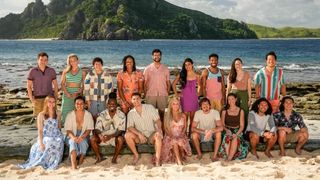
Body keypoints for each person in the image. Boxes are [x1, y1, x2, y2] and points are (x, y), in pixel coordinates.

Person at [18, 96, 64, 170]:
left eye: (53, 102)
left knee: (59, 141)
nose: (52, 104)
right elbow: (40, 130)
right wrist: (41, 142)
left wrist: (61, 135)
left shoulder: (58, 113)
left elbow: (59, 127)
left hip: (56, 133)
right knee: (49, 141)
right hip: (46, 134)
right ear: (46, 103)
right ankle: (46, 162)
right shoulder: (41, 115)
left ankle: (54, 162)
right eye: (50, 102)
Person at [125, 93, 163, 166]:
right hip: (140, 137)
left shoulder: (150, 108)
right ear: (131, 101)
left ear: (141, 99)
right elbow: (129, 127)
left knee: (158, 135)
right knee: (127, 135)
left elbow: (157, 120)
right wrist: (139, 134)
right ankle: (136, 155)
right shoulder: (131, 113)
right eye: (134, 99)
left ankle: (157, 160)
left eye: (138, 99)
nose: (136, 101)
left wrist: (159, 129)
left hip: (151, 135)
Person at [90, 92, 126, 164]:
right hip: (103, 137)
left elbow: (120, 130)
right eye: (110, 104)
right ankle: (99, 157)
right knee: (92, 138)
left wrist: (110, 136)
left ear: (116, 105)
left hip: (114, 137)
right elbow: (97, 128)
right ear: (107, 105)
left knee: (121, 139)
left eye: (114, 104)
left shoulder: (121, 115)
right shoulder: (102, 114)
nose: (111, 105)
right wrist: (100, 135)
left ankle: (114, 159)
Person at [172, 58, 200, 136]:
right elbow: (173, 84)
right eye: (186, 65)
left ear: (192, 65)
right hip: (184, 99)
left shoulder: (196, 75)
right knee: (185, 120)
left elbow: (200, 85)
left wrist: (198, 93)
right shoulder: (182, 74)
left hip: (194, 99)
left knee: (192, 120)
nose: (187, 66)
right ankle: (184, 136)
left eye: (189, 64)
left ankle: (190, 136)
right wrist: (176, 94)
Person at [65, 96, 94, 169]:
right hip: (71, 135)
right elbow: (68, 130)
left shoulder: (88, 115)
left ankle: (80, 160)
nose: (79, 105)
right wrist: (74, 138)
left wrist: (82, 137)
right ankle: (74, 166)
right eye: (77, 103)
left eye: (81, 103)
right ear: (74, 104)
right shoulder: (70, 115)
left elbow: (89, 129)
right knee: (72, 142)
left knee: (83, 142)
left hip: (84, 134)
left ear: (84, 105)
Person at [27, 52, 58, 120]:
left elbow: (55, 85)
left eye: (45, 60)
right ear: (38, 60)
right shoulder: (32, 71)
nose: (43, 62)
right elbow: (29, 86)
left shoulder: (51, 71)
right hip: (37, 99)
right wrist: (31, 99)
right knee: (38, 119)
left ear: (47, 61)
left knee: (51, 118)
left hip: (49, 99)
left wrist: (56, 97)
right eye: (41, 59)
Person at [161, 97, 192, 165]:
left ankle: (180, 155)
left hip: (181, 135)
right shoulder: (167, 115)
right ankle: (179, 160)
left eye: (177, 104)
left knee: (179, 141)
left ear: (179, 105)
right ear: (171, 105)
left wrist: (182, 135)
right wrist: (172, 136)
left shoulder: (183, 115)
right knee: (174, 141)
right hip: (170, 136)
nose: (175, 105)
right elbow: (165, 128)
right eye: (173, 104)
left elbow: (184, 127)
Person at [218, 93, 248, 160]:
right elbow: (222, 124)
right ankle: (228, 156)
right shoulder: (224, 111)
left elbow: (242, 126)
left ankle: (229, 158)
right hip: (227, 129)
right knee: (228, 137)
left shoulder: (241, 111)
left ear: (236, 99)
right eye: (229, 99)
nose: (230, 101)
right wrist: (227, 130)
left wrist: (237, 134)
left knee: (235, 137)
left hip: (237, 130)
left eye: (232, 99)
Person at [144, 49, 170, 123]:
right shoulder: (147, 69)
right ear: (152, 56)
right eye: (155, 55)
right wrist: (145, 94)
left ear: (161, 56)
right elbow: (145, 83)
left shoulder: (165, 69)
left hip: (162, 94)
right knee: (150, 115)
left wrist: (167, 93)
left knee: (162, 114)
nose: (157, 57)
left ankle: (162, 130)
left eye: (158, 55)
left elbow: (168, 83)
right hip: (150, 94)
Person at [61, 54, 86, 125]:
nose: (73, 62)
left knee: (76, 112)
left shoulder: (82, 72)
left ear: (78, 61)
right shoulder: (65, 71)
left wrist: (79, 92)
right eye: (71, 61)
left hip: (77, 95)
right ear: (69, 62)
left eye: (74, 60)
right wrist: (67, 94)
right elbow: (62, 84)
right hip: (67, 94)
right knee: (65, 112)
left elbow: (84, 85)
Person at [227, 58, 251, 127]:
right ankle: (235, 128)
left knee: (245, 111)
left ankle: (244, 130)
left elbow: (249, 88)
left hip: (244, 95)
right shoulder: (231, 75)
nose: (238, 65)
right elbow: (228, 88)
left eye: (239, 64)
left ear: (242, 64)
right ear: (234, 65)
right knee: (234, 112)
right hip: (233, 95)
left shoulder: (246, 74)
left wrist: (249, 99)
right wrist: (227, 99)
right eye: (236, 64)